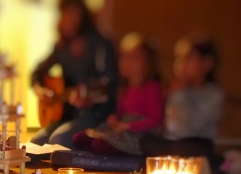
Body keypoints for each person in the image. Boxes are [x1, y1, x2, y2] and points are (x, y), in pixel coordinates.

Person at [139, 36, 241, 174]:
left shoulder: (213, 94)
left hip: (196, 142)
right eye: (179, 59)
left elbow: (192, 125)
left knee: (187, 150)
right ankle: (199, 165)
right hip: (172, 143)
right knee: (146, 141)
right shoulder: (176, 89)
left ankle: (224, 163)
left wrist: (179, 95)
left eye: (188, 59)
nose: (181, 65)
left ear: (207, 63)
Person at [30, 0, 117, 148]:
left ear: (83, 16)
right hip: (67, 113)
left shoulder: (100, 44)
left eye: (73, 14)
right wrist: (40, 90)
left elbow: (111, 81)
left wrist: (90, 97)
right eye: (65, 14)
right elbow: (38, 72)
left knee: (59, 140)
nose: (68, 19)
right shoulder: (62, 47)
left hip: (94, 114)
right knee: (36, 143)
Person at [72, 33, 163, 156]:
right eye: (124, 57)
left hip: (138, 134)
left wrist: (128, 126)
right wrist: (114, 119)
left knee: (100, 144)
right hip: (121, 129)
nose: (127, 62)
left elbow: (155, 120)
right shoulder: (124, 87)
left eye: (134, 57)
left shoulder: (151, 87)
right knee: (80, 138)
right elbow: (121, 113)